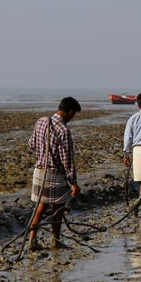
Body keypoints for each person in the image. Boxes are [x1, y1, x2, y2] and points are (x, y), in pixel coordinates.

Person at [28, 96, 82, 251]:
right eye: (73, 115)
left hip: (39, 171)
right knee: (58, 209)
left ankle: (32, 241)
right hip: (54, 174)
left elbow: (31, 144)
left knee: (40, 207)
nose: (72, 118)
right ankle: (55, 241)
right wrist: (73, 183)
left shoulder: (41, 121)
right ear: (69, 112)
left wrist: (43, 155)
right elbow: (67, 160)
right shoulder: (63, 131)